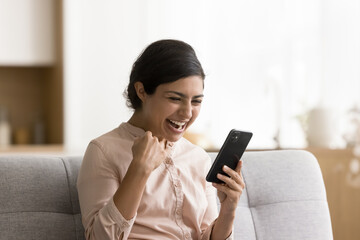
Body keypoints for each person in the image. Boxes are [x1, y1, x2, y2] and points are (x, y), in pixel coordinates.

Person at [77, 39, 245, 240]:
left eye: (196, 101)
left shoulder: (198, 158)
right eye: (175, 98)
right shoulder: (103, 151)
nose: (187, 112)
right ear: (142, 91)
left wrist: (228, 208)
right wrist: (139, 169)